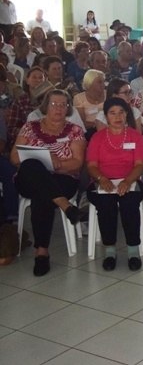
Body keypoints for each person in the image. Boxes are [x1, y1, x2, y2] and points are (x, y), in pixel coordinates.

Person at [11, 89, 85, 276]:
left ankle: (41, 252)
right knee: (31, 164)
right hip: (28, 178)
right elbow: (14, 157)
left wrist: (54, 166)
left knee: (41, 194)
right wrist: (45, 160)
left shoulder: (75, 131)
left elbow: (77, 163)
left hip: (63, 178)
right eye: (54, 104)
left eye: (63, 105)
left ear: (68, 108)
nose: (59, 108)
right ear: (46, 106)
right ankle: (65, 205)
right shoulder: (30, 127)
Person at [85, 97, 143, 271]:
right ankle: (110, 250)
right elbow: (91, 166)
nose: (117, 117)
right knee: (106, 205)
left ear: (127, 114)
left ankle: (133, 250)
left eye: (121, 112)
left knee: (128, 204)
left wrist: (127, 181)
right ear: (106, 116)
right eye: (112, 113)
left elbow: (140, 165)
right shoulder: (97, 138)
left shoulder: (136, 136)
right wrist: (102, 179)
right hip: (102, 181)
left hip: (131, 180)